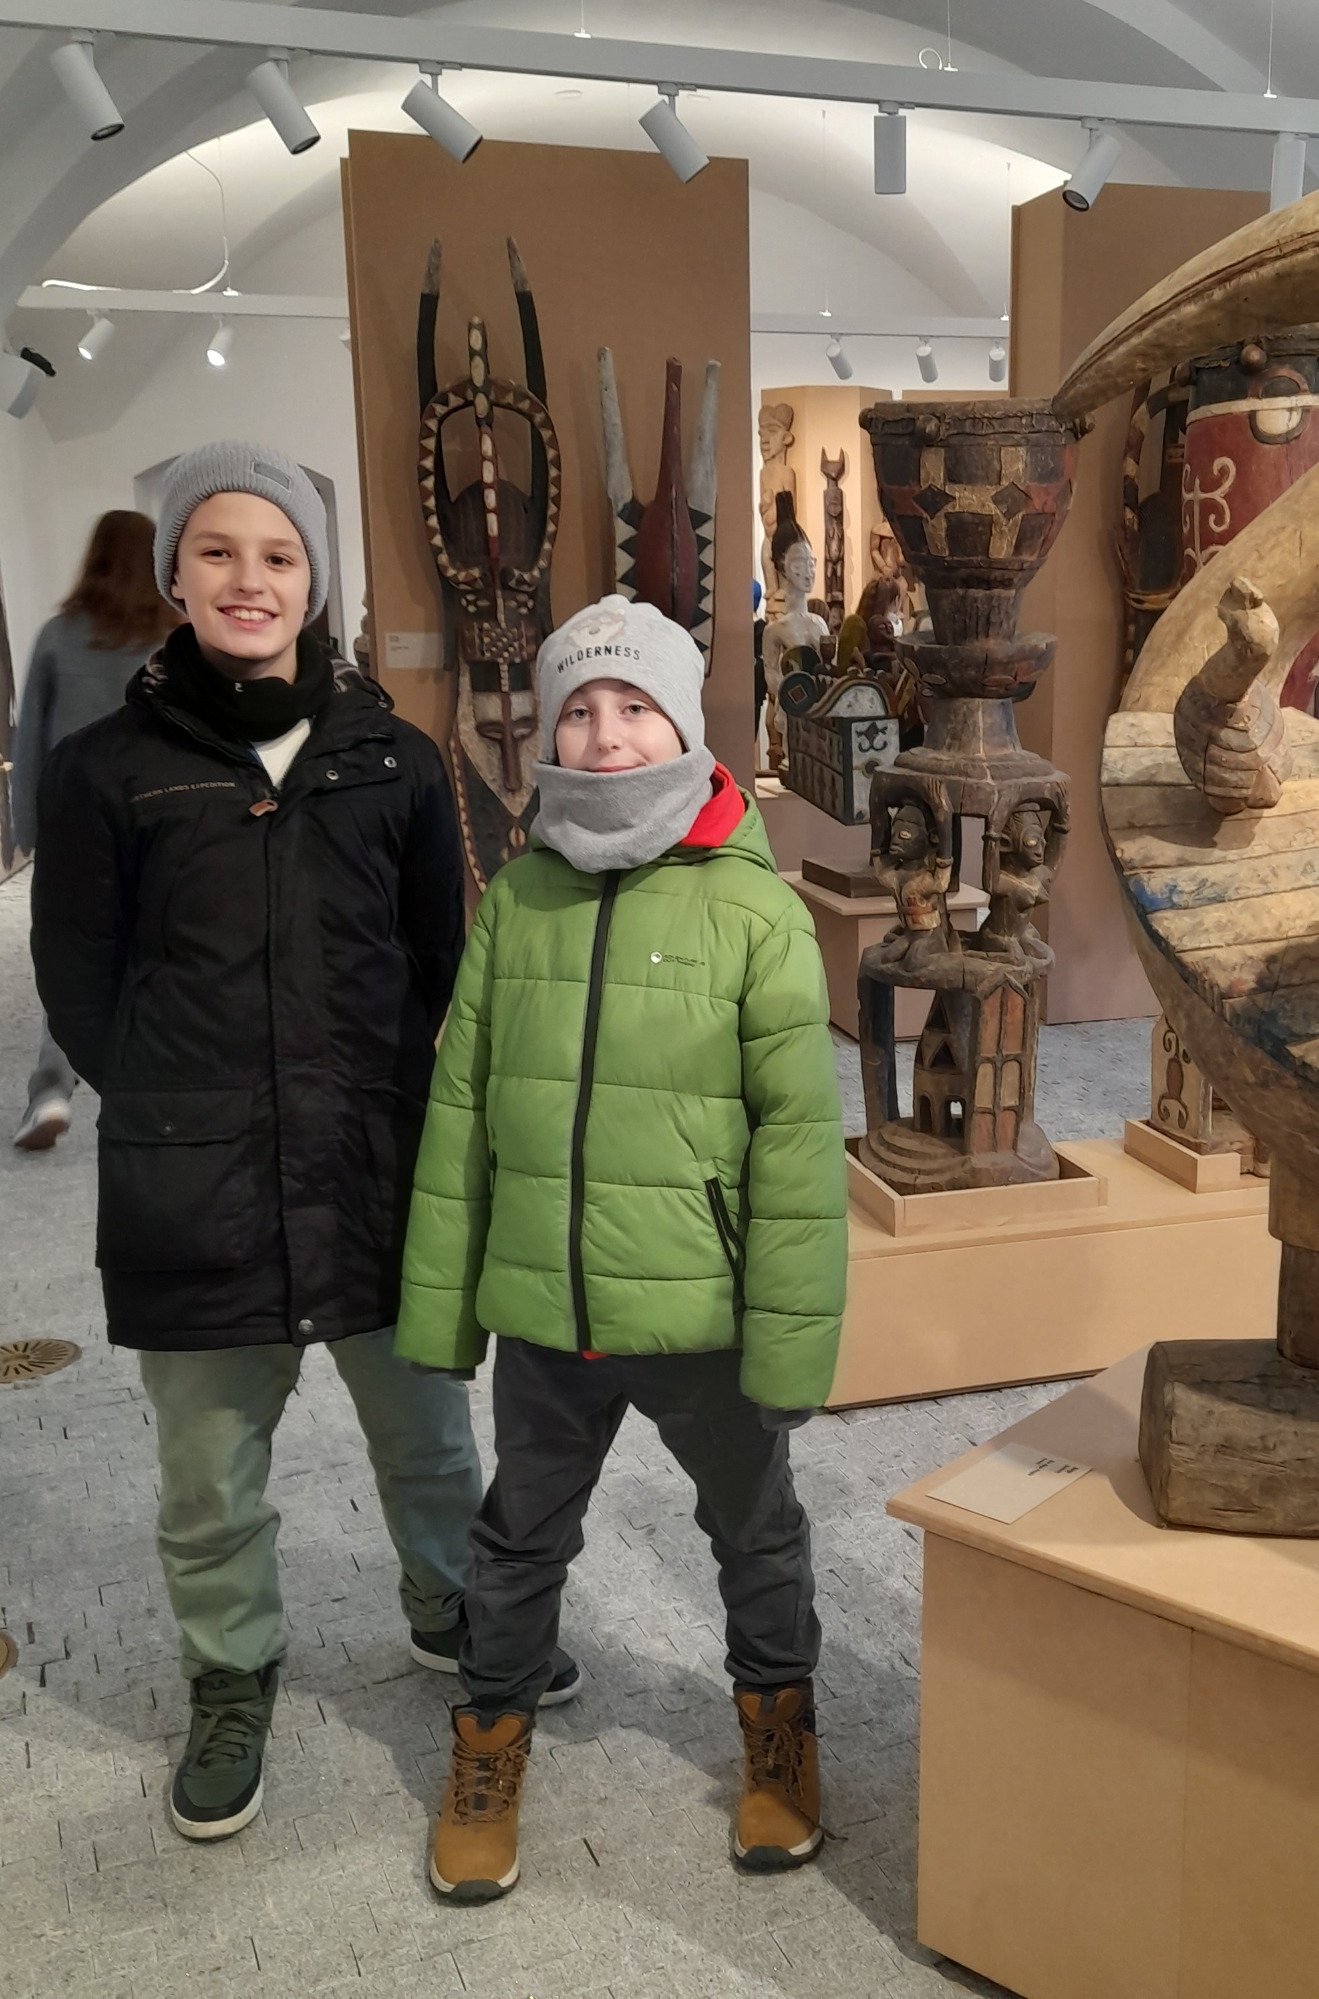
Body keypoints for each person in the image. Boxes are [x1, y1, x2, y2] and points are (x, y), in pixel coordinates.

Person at [30, 443, 483, 1844]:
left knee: (427, 1434)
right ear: (174, 573)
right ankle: (230, 1675)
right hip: (199, 1178)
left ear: (313, 581)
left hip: (371, 1163)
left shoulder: (397, 761)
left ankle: (449, 1601)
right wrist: (171, 1097)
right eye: (218, 550)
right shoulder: (105, 772)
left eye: (279, 554)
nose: (249, 578)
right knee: (209, 1476)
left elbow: (438, 956)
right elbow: (79, 982)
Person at [396, 594, 847, 1904]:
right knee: (515, 1538)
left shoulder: (755, 913)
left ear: (683, 723)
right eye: (579, 710)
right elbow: (461, 1116)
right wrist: (443, 1313)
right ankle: (488, 1746)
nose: (603, 735)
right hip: (549, 1308)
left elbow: (798, 1155)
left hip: (701, 1310)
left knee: (754, 1530)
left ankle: (779, 1729)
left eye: (633, 705)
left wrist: (789, 1347)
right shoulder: (516, 903)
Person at [9, 509, 179, 1149]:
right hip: (162, 822)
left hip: (74, 826)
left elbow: (30, 740)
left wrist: (28, 827)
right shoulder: (176, 640)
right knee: (162, 955)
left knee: (71, 963)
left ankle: (52, 1091)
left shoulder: (58, 637)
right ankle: (157, 1093)